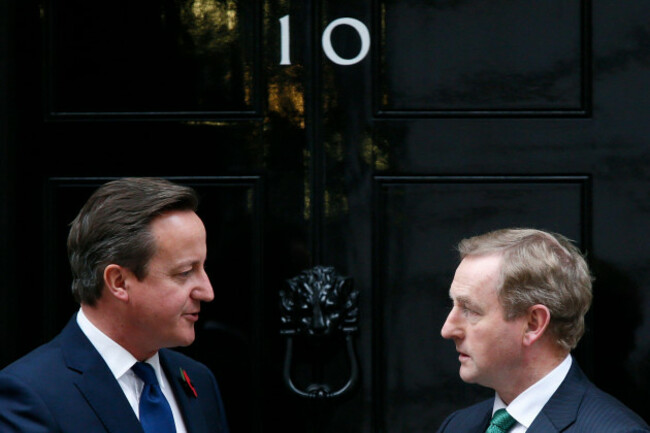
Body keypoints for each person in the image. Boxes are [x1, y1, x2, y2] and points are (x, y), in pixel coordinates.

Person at [0, 177, 229, 433]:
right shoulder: (30, 395)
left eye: (203, 267)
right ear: (118, 282)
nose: (207, 292)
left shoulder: (197, 380)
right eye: (185, 272)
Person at [436, 228, 649, 433]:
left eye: (470, 310)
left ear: (533, 324)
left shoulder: (616, 430)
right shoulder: (458, 425)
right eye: (453, 305)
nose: (447, 329)